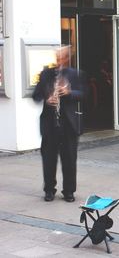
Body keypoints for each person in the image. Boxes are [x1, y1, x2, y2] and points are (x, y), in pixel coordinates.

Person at [32, 45, 85, 202]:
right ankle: (49, 190)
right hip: (49, 125)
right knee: (48, 160)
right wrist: (47, 98)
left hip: (68, 125)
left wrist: (69, 92)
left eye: (62, 57)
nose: (59, 60)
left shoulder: (76, 74)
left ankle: (69, 191)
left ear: (68, 58)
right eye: (57, 57)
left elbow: (83, 93)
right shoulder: (46, 74)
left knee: (69, 161)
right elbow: (36, 95)